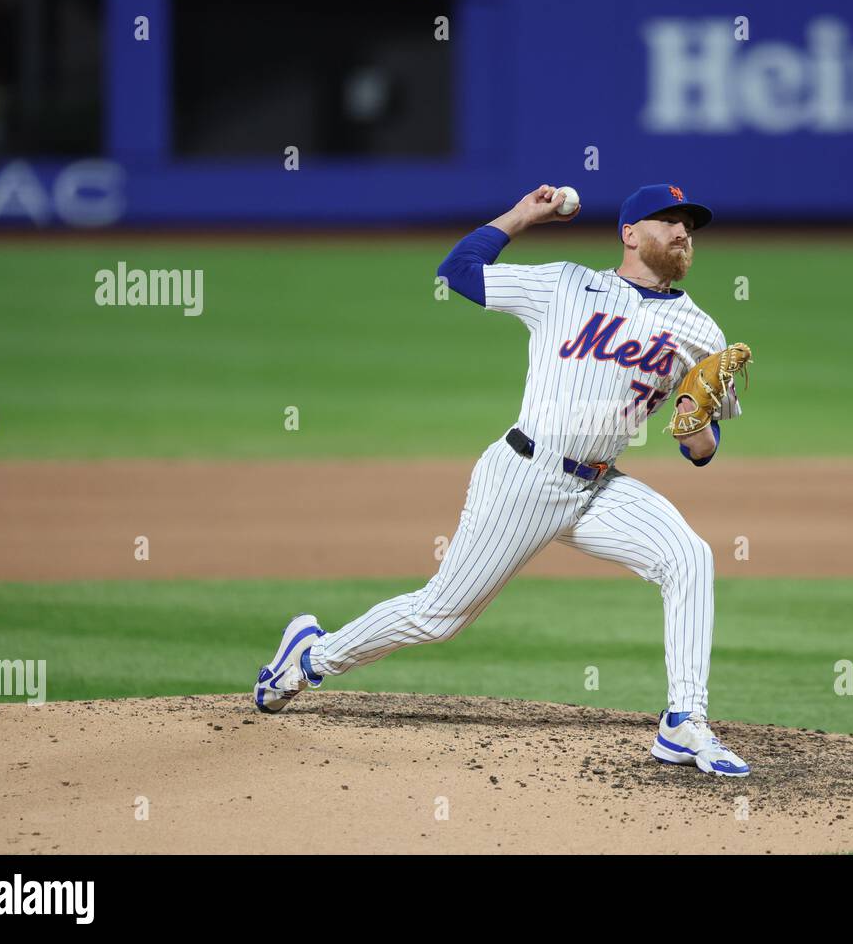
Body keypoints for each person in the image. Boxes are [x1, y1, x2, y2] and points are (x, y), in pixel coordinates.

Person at [252, 183, 750, 776]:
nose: (681, 232)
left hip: (598, 488)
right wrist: (521, 216)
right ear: (629, 233)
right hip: (524, 477)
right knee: (438, 617)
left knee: (688, 557)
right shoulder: (565, 284)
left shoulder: (703, 333)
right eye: (666, 221)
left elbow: (701, 450)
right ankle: (310, 658)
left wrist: (693, 426)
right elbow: (458, 271)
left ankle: (684, 723)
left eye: (688, 225)